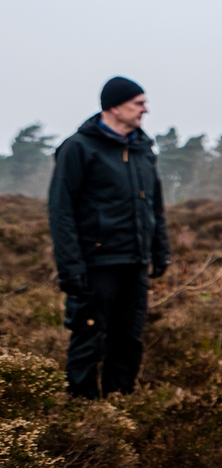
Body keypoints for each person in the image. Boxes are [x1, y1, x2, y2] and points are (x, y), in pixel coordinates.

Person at [48, 77, 171, 399]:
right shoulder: (78, 148)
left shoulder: (143, 149)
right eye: (138, 103)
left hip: (135, 261)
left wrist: (160, 251)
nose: (145, 110)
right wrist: (70, 267)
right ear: (115, 107)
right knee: (88, 337)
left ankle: (121, 406)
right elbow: (61, 211)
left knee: (128, 340)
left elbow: (155, 205)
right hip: (95, 264)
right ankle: (82, 412)